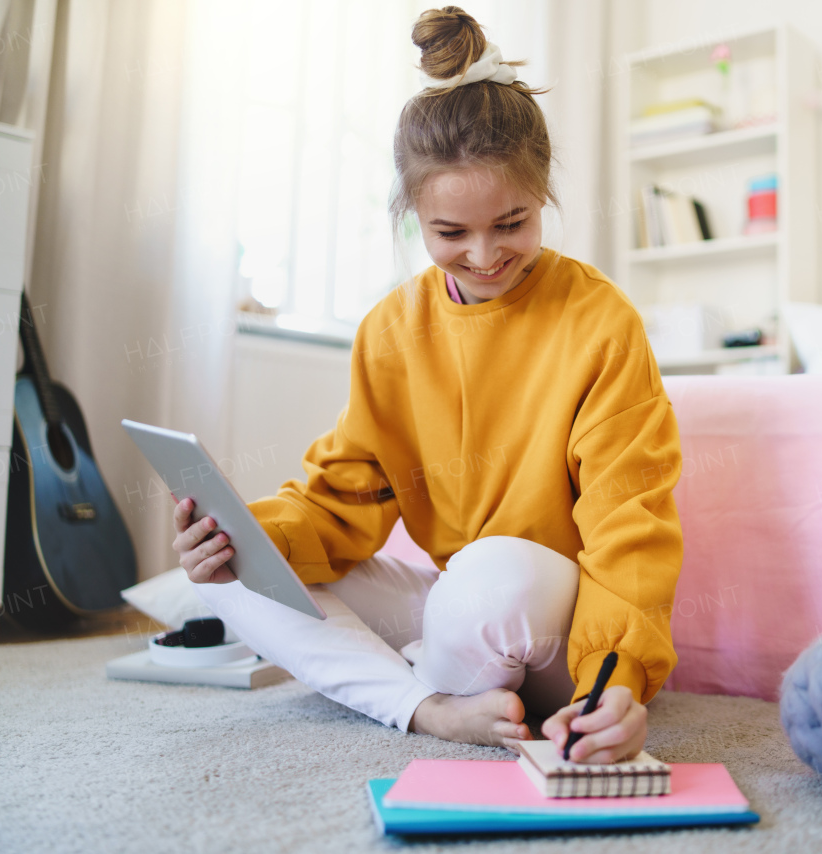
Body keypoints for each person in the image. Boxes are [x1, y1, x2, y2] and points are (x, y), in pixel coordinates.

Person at [172, 5, 683, 765]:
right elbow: (342, 499)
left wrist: (617, 679)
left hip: (553, 628)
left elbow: (630, 523)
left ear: (542, 194)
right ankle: (428, 708)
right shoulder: (390, 328)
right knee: (223, 575)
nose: (484, 255)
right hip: (456, 610)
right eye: (451, 234)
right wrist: (244, 534)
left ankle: (411, 680)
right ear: (415, 214)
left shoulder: (599, 320)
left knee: (489, 576)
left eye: (511, 222)